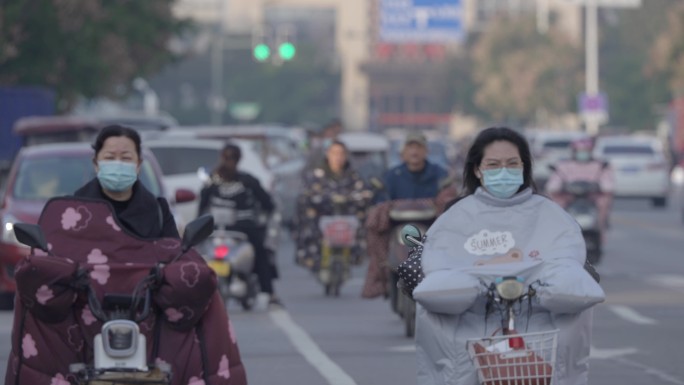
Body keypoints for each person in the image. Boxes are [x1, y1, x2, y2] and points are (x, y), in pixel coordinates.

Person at [411, 127, 605, 385]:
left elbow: (568, 261)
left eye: (512, 163)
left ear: (524, 167)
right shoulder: (455, 215)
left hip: (538, 329)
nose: (504, 171)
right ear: (478, 169)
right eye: (493, 164)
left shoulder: (549, 213)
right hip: (470, 327)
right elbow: (438, 266)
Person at [197, 142, 281, 306]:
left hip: (215, 231)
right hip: (244, 230)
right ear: (239, 159)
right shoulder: (248, 181)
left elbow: (202, 207)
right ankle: (269, 293)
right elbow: (268, 204)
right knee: (261, 255)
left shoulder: (211, 181)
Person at [74, 124, 179, 239]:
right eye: (110, 158)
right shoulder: (75, 207)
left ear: (138, 165)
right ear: (96, 164)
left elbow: (173, 252)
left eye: (126, 158)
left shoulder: (158, 211)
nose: (118, 164)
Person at [295, 140, 372, 270]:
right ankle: (310, 257)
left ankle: (357, 255)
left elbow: (363, 192)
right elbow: (307, 192)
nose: (338, 157)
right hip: (323, 214)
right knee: (306, 214)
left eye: (341, 153)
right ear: (328, 154)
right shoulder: (317, 174)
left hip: (347, 214)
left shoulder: (353, 175)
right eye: (334, 153)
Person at [545, 137, 614, 232]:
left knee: (604, 201)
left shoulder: (600, 165)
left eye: (586, 151)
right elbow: (553, 184)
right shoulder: (564, 165)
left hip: (592, 196)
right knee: (556, 203)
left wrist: (601, 187)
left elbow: (608, 184)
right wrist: (557, 187)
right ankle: (557, 229)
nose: (583, 153)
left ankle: (601, 228)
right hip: (569, 196)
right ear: (574, 151)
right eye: (580, 150)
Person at [381, 131, 451, 202]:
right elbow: (383, 201)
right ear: (403, 152)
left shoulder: (439, 174)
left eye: (419, 147)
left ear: (426, 151)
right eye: (410, 147)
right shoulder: (392, 176)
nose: (414, 152)